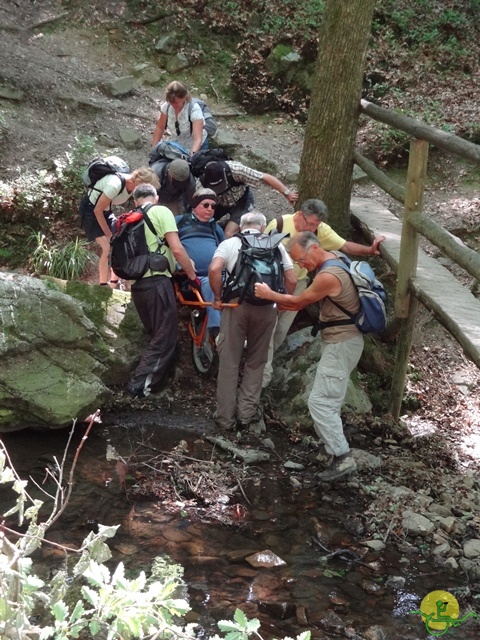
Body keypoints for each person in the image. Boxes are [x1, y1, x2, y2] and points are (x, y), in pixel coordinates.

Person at [254, 231, 364, 482]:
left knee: (320, 402)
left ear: (315, 249)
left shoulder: (327, 275)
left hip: (341, 343)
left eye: (302, 260)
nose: (302, 266)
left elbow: (297, 303)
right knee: (329, 400)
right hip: (342, 341)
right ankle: (330, 450)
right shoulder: (336, 258)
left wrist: (269, 295)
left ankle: (341, 456)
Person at [262, 199, 385, 387]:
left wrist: (370, 250)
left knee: (281, 329)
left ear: (315, 247)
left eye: (316, 225)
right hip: (274, 282)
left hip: (298, 286)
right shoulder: (279, 224)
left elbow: (344, 245)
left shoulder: (322, 245)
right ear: (299, 214)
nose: (312, 228)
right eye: (309, 223)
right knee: (267, 328)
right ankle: (264, 374)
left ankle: (265, 365)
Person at [208, 211, 297, 431]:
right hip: (267, 307)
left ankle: (225, 418)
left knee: (229, 361)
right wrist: (280, 303)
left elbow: (214, 269)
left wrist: (218, 297)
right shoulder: (276, 246)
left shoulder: (231, 243)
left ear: (241, 225)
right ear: (263, 226)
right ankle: (246, 415)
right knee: (256, 362)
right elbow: (292, 279)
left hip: (236, 306)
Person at [126, 183, 197, 399]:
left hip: (138, 285)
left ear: (135, 200)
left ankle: (152, 382)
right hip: (158, 282)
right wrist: (192, 275)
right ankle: (140, 387)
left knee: (156, 334)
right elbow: (176, 248)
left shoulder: (130, 218)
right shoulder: (161, 211)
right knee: (165, 337)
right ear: (155, 197)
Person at [79, 167, 159, 287]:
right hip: (91, 212)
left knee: (118, 243)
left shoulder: (133, 187)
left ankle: (113, 282)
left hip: (105, 211)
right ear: (140, 182)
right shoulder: (115, 184)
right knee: (107, 249)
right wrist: (109, 235)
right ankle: (103, 286)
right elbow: (97, 210)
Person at [198, 159, 298, 238]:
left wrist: (287, 193)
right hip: (217, 204)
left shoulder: (237, 170)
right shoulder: (200, 185)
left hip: (241, 201)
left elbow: (265, 177)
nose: (219, 189)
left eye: (221, 185)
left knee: (228, 234)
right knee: (203, 227)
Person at [175, 188, 225, 338]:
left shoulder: (216, 228)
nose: (210, 209)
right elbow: (166, 245)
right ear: (195, 205)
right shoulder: (180, 221)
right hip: (190, 277)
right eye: (206, 205)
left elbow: (225, 249)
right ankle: (216, 331)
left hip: (217, 274)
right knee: (211, 285)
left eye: (213, 206)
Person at [152, 80, 207, 155]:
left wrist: (191, 158)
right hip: (177, 145)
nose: (173, 106)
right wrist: (154, 150)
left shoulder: (194, 110)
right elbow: (160, 128)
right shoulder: (167, 106)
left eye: (176, 103)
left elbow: (197, 139)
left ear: (184, 98)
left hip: (196, 146)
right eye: (171, 103)